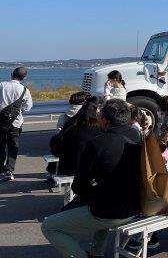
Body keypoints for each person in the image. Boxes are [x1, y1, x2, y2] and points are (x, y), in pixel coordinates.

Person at [41, 99, 141, 258]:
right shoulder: (137, 136)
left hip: (108, 212)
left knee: (49, 226)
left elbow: (78, 186)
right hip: (136, 207)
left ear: (105, 121)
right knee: (104, 196)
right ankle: (96, 253)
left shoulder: (97, 142)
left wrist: (89, 193)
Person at [50, 96, 105, 177]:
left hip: (70, 167)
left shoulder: (74, 121)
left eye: (100, 108)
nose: (98, 111)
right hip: (82, 169)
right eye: (95, 107)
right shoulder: (98, 128)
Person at [0, 67, 33, 182]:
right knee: (13, 146)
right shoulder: (24, 90)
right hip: (16, 122)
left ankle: (1, 170)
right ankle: (9, 171)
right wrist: (18, 109)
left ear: (11, 74)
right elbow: (28, 107)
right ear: (24, 77)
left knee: (1, 146)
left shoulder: (2, 85)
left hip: (1, 121)